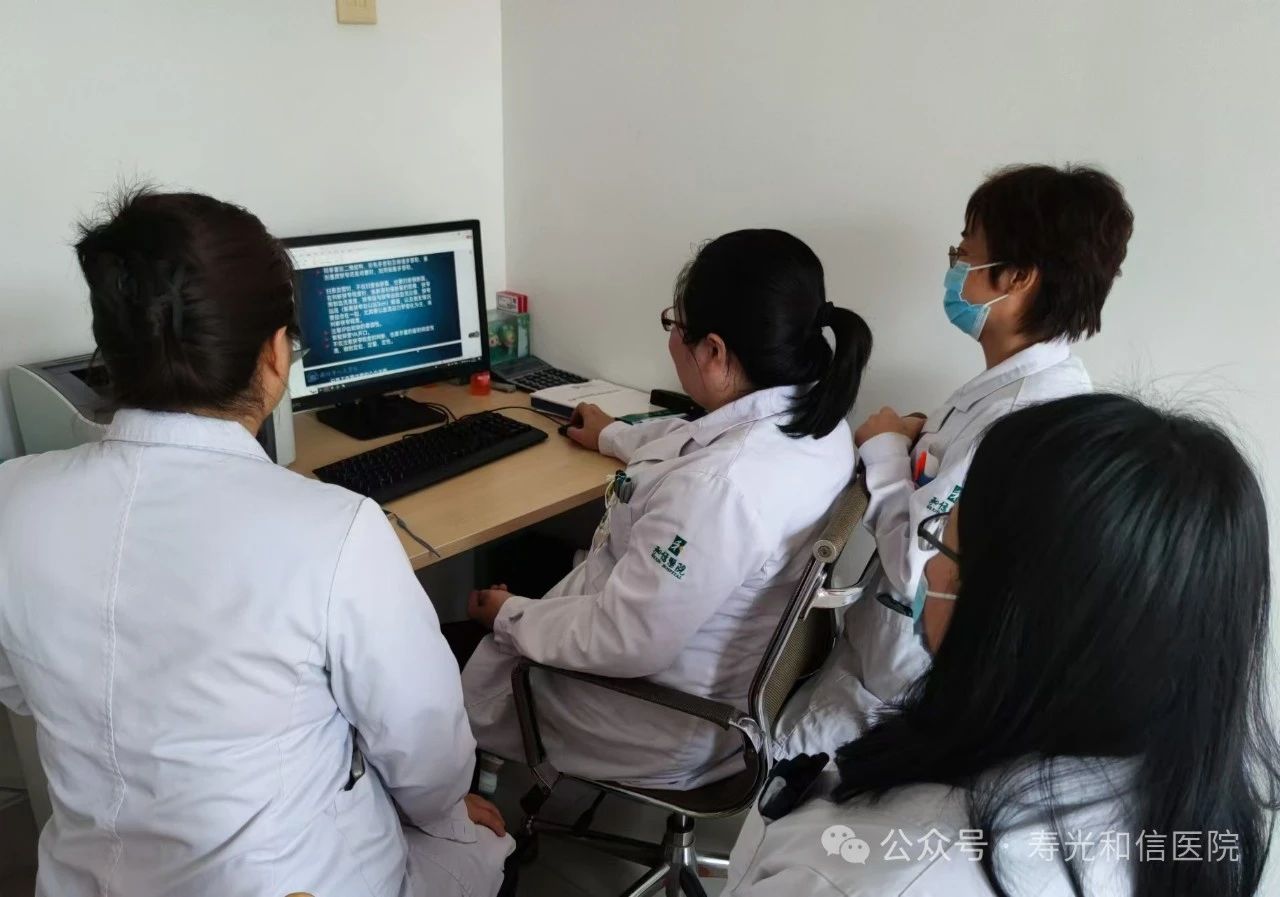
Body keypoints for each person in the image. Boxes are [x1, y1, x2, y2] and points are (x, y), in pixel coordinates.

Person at [0, 190, 513, 897]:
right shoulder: (334, 529)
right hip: (303, 882)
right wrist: (446, 813)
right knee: (481, 842)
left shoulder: (13, 499)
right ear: (276, 354)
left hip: (85, 880)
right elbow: (427, 753)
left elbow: (20, 687)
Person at [727, 393, 1280, 897]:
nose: (932, 569)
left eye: (944, 544)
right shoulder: (1205, 812)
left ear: (1010, 611)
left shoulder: (867, 875)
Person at [460, 229, 872, 788]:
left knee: (448, 649)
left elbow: (622, 641)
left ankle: (460, 804)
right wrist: (612, 435)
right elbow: (697, 439)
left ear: (715, 352)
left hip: (656, 714)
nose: (673, 338)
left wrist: (508, 615)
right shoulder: (817, 424)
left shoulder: (718, 490)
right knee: (536, 561)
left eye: (676, 325)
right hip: (714, 666)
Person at [774, 164, 1135, 757]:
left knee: (784, 772)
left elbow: (919, 563)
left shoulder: (1016, 418)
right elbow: (950, 484)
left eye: (964, 253)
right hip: (880, 666)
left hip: (893, 690)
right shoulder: (1028, 384)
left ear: (1016, 277)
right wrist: (917, 442)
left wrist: (885, 447)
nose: (954, 267)